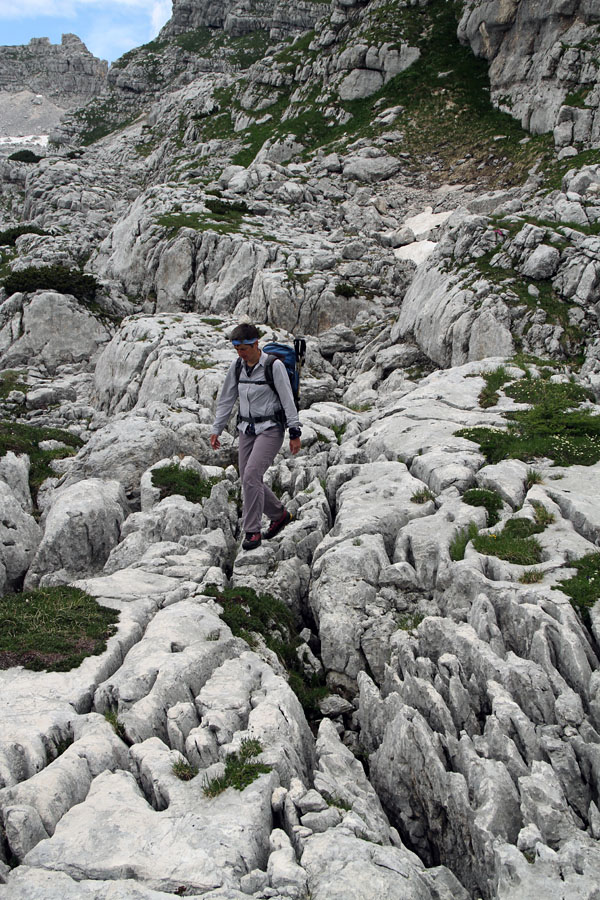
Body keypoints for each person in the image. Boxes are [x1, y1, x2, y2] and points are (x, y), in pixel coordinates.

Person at [210, 323, 301, 551]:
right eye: (237, 349)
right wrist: (217, 428)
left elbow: (287, 399)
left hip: (271, 428)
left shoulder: (274, 366)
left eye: (244, 349)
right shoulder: (237, 367)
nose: (240, 353)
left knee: (251, 474)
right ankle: (279, 515)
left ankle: (252, 531)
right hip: (246, 429)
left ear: (256, 344)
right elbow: (227, 399)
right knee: (248, 478)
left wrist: (294, 431)